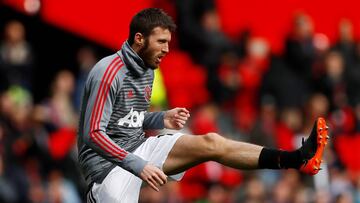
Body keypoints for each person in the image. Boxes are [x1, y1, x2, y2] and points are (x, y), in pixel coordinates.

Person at [77, 8, 329, 202]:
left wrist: (161, 118)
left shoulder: (148, 68)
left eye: (168, 42)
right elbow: (93, 133)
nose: (166, 49)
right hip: (107, 170)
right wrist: (138, 165)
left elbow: (127, 118)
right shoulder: (107, 71)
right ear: (139, 39)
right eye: (161, 42)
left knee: (212, 143)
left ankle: (296, 159)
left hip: (138, 150)